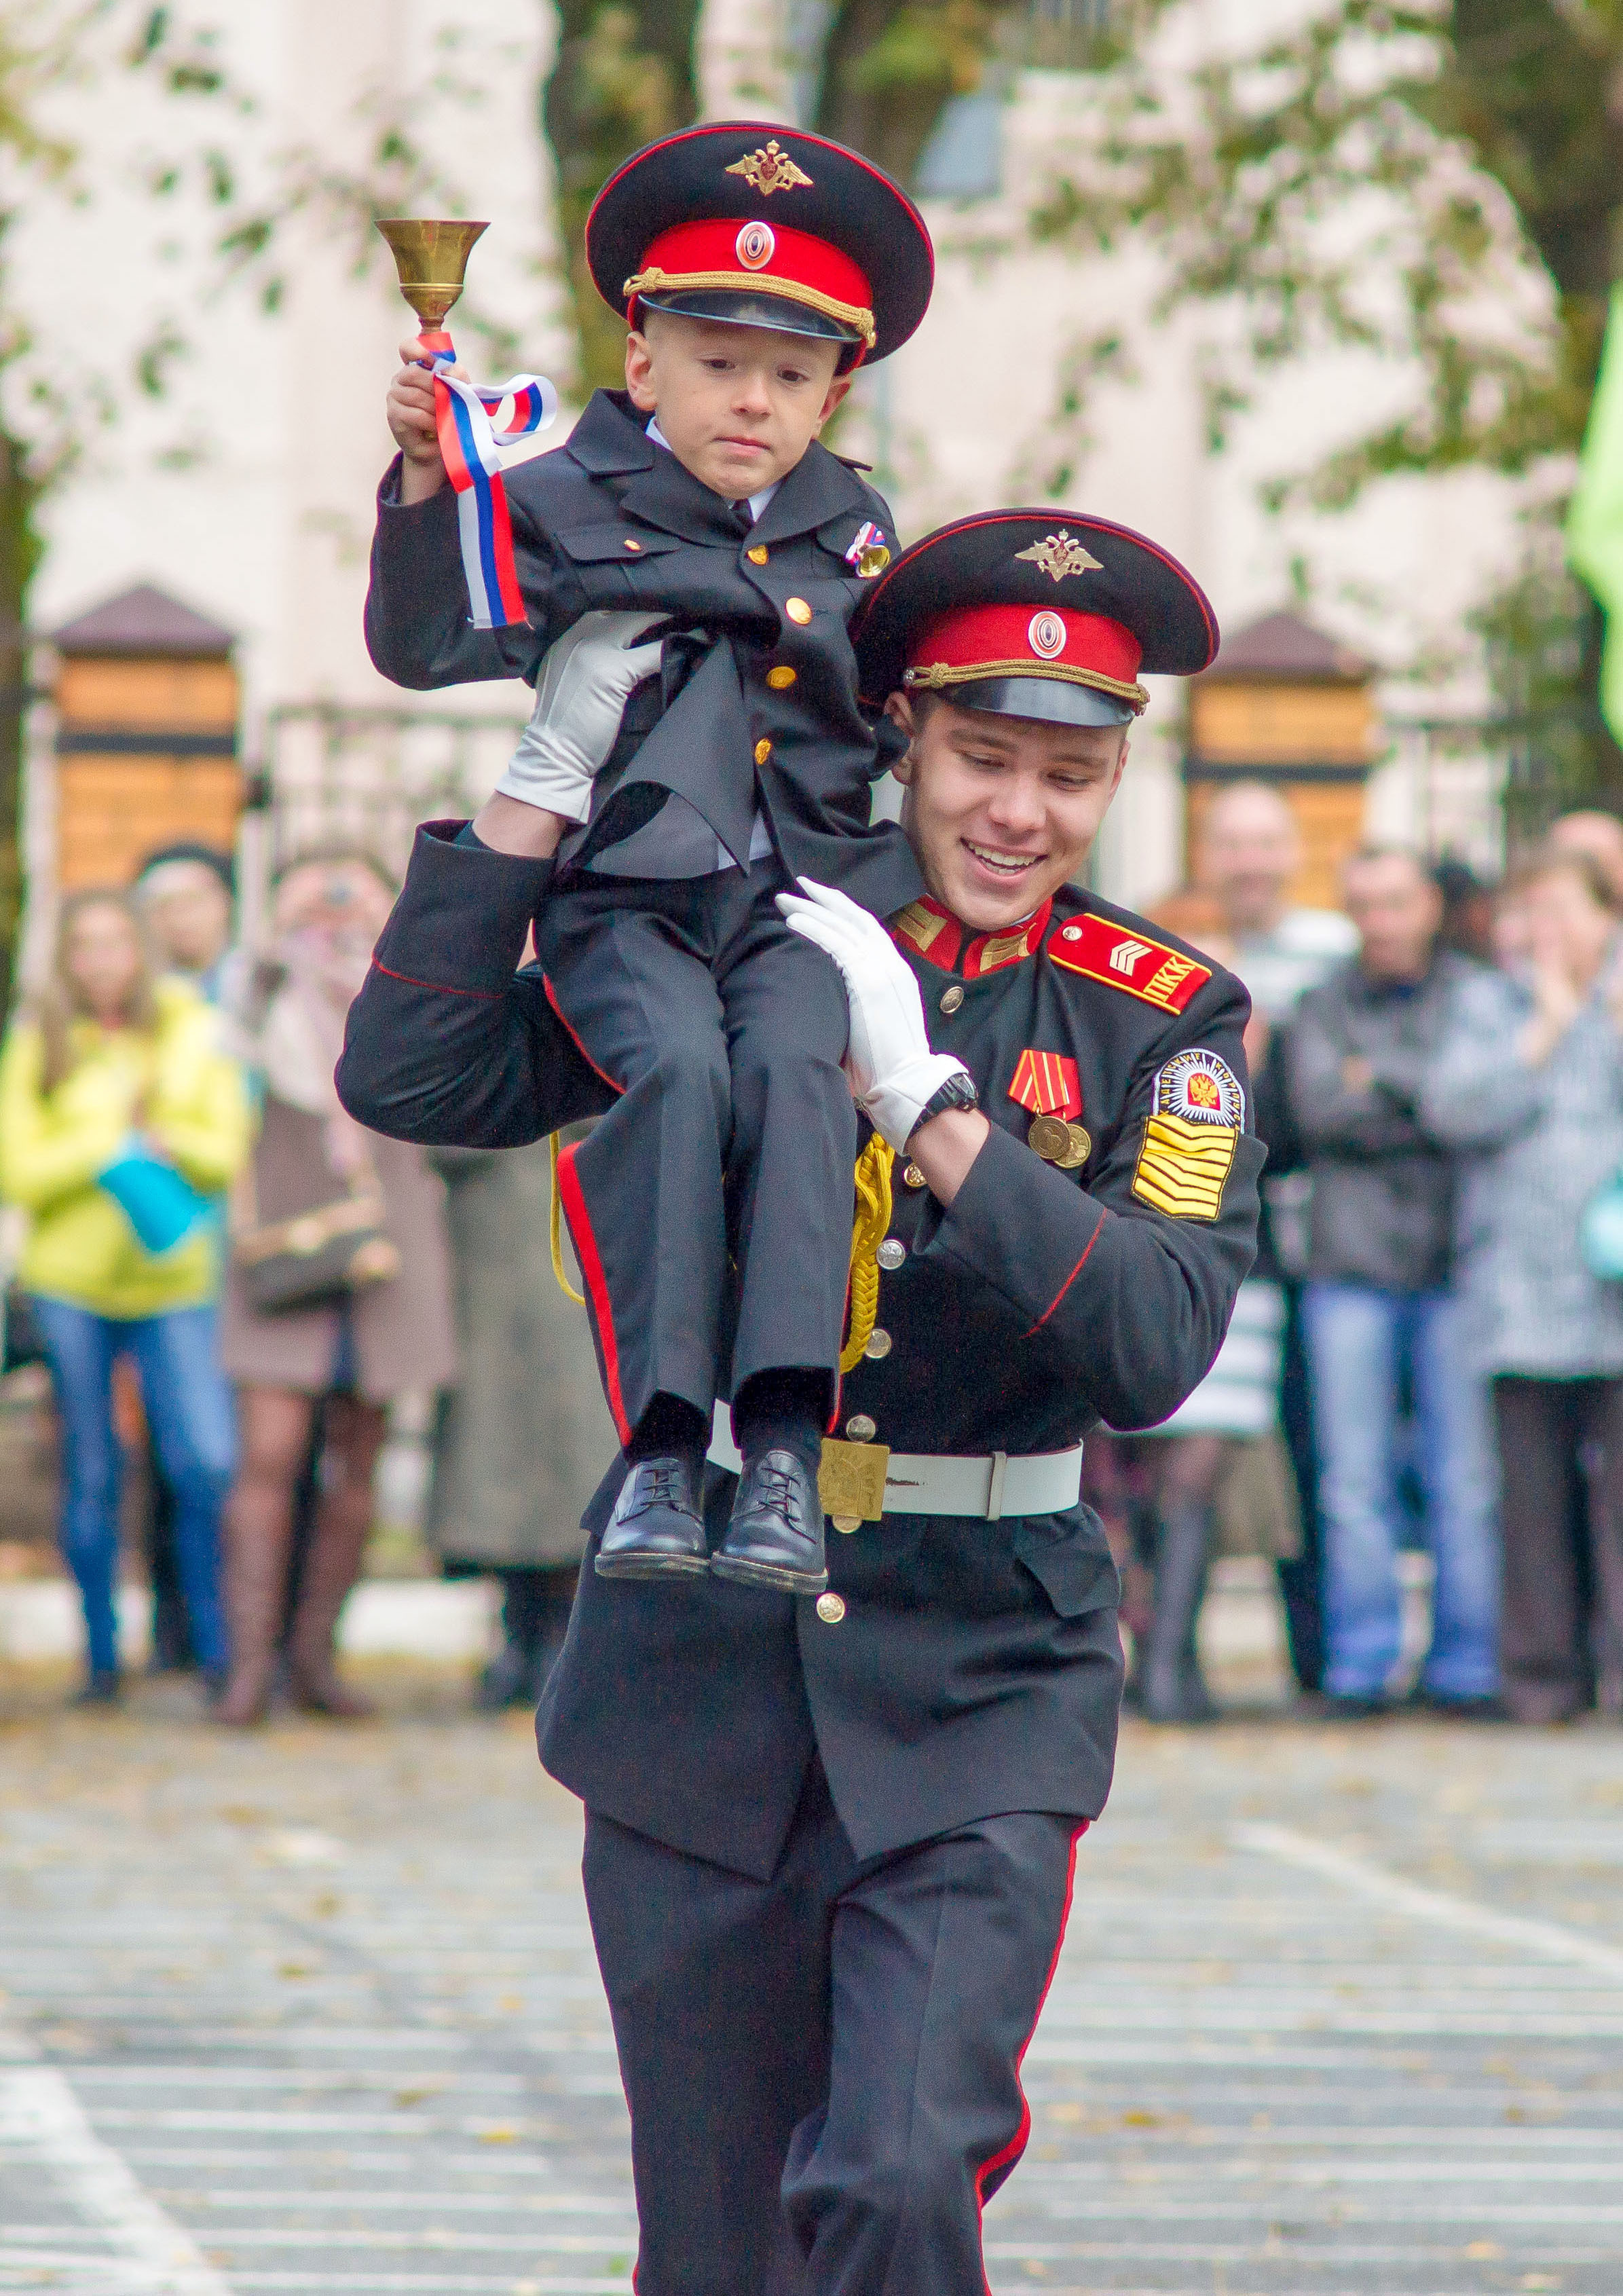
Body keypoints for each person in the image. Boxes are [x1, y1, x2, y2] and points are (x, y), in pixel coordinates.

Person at [337, 507, 1262, 2296]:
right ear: (896, 733)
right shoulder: (735, 938)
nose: (1015, 811)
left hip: (983, 1663)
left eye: (1066, 774)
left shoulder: (1159, 1014)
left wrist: (928, 1108)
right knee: (715, 2244)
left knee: (897, 2173)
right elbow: (412, 1071)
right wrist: (537, 791)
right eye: (979, 754)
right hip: (700, 1664)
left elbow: (1150, 1344)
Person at [371, 122, 935, 1600]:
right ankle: (666, 1447)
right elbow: (429, 643)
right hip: (625, 901)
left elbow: (884, 711)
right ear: (643, 362)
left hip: (796, 902)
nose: (753, 399)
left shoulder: (855, 524)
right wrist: (431, 487)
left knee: (804, 1087)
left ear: (835, 392)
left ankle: (782, 1450)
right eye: (717, 361)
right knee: (675, 1079)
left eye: (791, 375)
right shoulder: (563, 493)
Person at [214, 852, 457, 1726]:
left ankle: (316, 1657)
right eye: (320, 896)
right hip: (286, 1240)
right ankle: (249, 1666)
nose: (338, 915)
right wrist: (286, 918)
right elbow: (226, 1012)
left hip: (387, 1246)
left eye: (356, 896)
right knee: (268, 1456)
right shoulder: (260, 993)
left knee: (359, 1460)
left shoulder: (406, 994)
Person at [0, 891, 248, 1702]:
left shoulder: (188, 1027)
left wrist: (168, 1141)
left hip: (174, 1277)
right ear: (64, 957)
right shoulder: (39, 1039)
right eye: (84, 945)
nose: (101, 960)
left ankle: (215, 1655)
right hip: (70, 1281)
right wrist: (101, 1142)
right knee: (92, 1469)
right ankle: (100, 1662)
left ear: (141, 949)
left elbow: (223, 1150)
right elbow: (17, 1168)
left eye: (116, 943)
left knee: (201, 1461)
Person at [1286, 847, 1499, 1716]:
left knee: (1466, 1481)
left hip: (1459, 1266)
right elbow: (1320, 1111)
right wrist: (1426, 1101)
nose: (1381, 920)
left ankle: (1467, 1666)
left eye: (1396, 902)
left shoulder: (1476, 995)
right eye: (1364, 903)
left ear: (1430, 906)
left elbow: (1472, 1108)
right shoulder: (1321, 1001)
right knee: (1353, 1481)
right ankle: (1361, 1666)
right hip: (1350, 1267)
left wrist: (1387, 1086)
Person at [1422, 851, 1623, 1723]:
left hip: (1611, 1295)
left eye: (1566, 910)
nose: (1549, 931)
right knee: (1529, 1500)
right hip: (1516, 1296)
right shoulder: (1487, 1004)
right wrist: (1540, 1033)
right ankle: (1540, 1678)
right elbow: (1452, 1109)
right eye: (1532, 910)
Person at [1194, 779, 1358, 1694]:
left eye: (1264, 843)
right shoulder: (1176, 948)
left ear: (1291, 853)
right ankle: (1167, 1648)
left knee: (1315, 1455)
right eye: (1233, 844)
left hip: (1310, 1246)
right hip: (1218, 1247)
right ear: (1209, 854)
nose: (1249, 862)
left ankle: (1320, 1660)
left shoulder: (1328, 954)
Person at [427, 1140, 612, 1709]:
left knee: (576, 1429)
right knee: (497, 1432)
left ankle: (561, 1632)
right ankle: (519, 1626)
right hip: (490, 1229)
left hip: (583, 1212)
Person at [131, 839, 240, 1673]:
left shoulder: (255, 993)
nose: (180, 916)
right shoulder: (132, 1009)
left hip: (257, 1250)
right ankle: (179, 1630)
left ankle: (238, 1636)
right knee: (173, 1454)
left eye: (193, 896)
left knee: (241, 1451)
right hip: (162, 1254)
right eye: (160, 902)